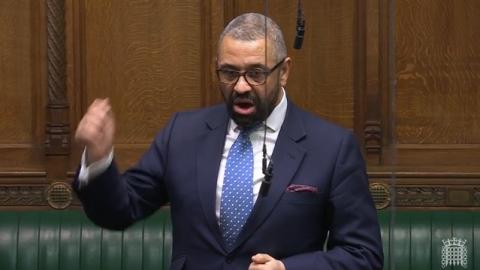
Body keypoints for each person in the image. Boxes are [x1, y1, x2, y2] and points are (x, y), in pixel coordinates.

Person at [73, 13, 383, 270]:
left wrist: (289, 269)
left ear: (284, 71)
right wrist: (98, 159)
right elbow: (119, 211)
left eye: (256, 73)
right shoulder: (183, 133)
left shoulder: (332, 147)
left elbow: (364, 256)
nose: (241, 87)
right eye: (229, 73)